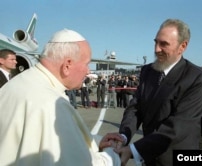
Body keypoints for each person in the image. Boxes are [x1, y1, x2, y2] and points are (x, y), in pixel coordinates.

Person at [0, 29, 121, 165]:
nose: (88, 71)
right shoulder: (52, 104)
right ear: (67, 65)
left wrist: (97, 141)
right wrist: (111, 154)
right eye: (86, 64)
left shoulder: (17, 83)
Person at [104, 19, 202, 165]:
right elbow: (135, 108)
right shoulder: (148, 71)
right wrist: (123, 136)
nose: (156, 49)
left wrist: (134, 150)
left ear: (183, 46)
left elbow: (178, 126)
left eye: (164, 44)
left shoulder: (197, 78)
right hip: (149, 159)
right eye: (156, 42)